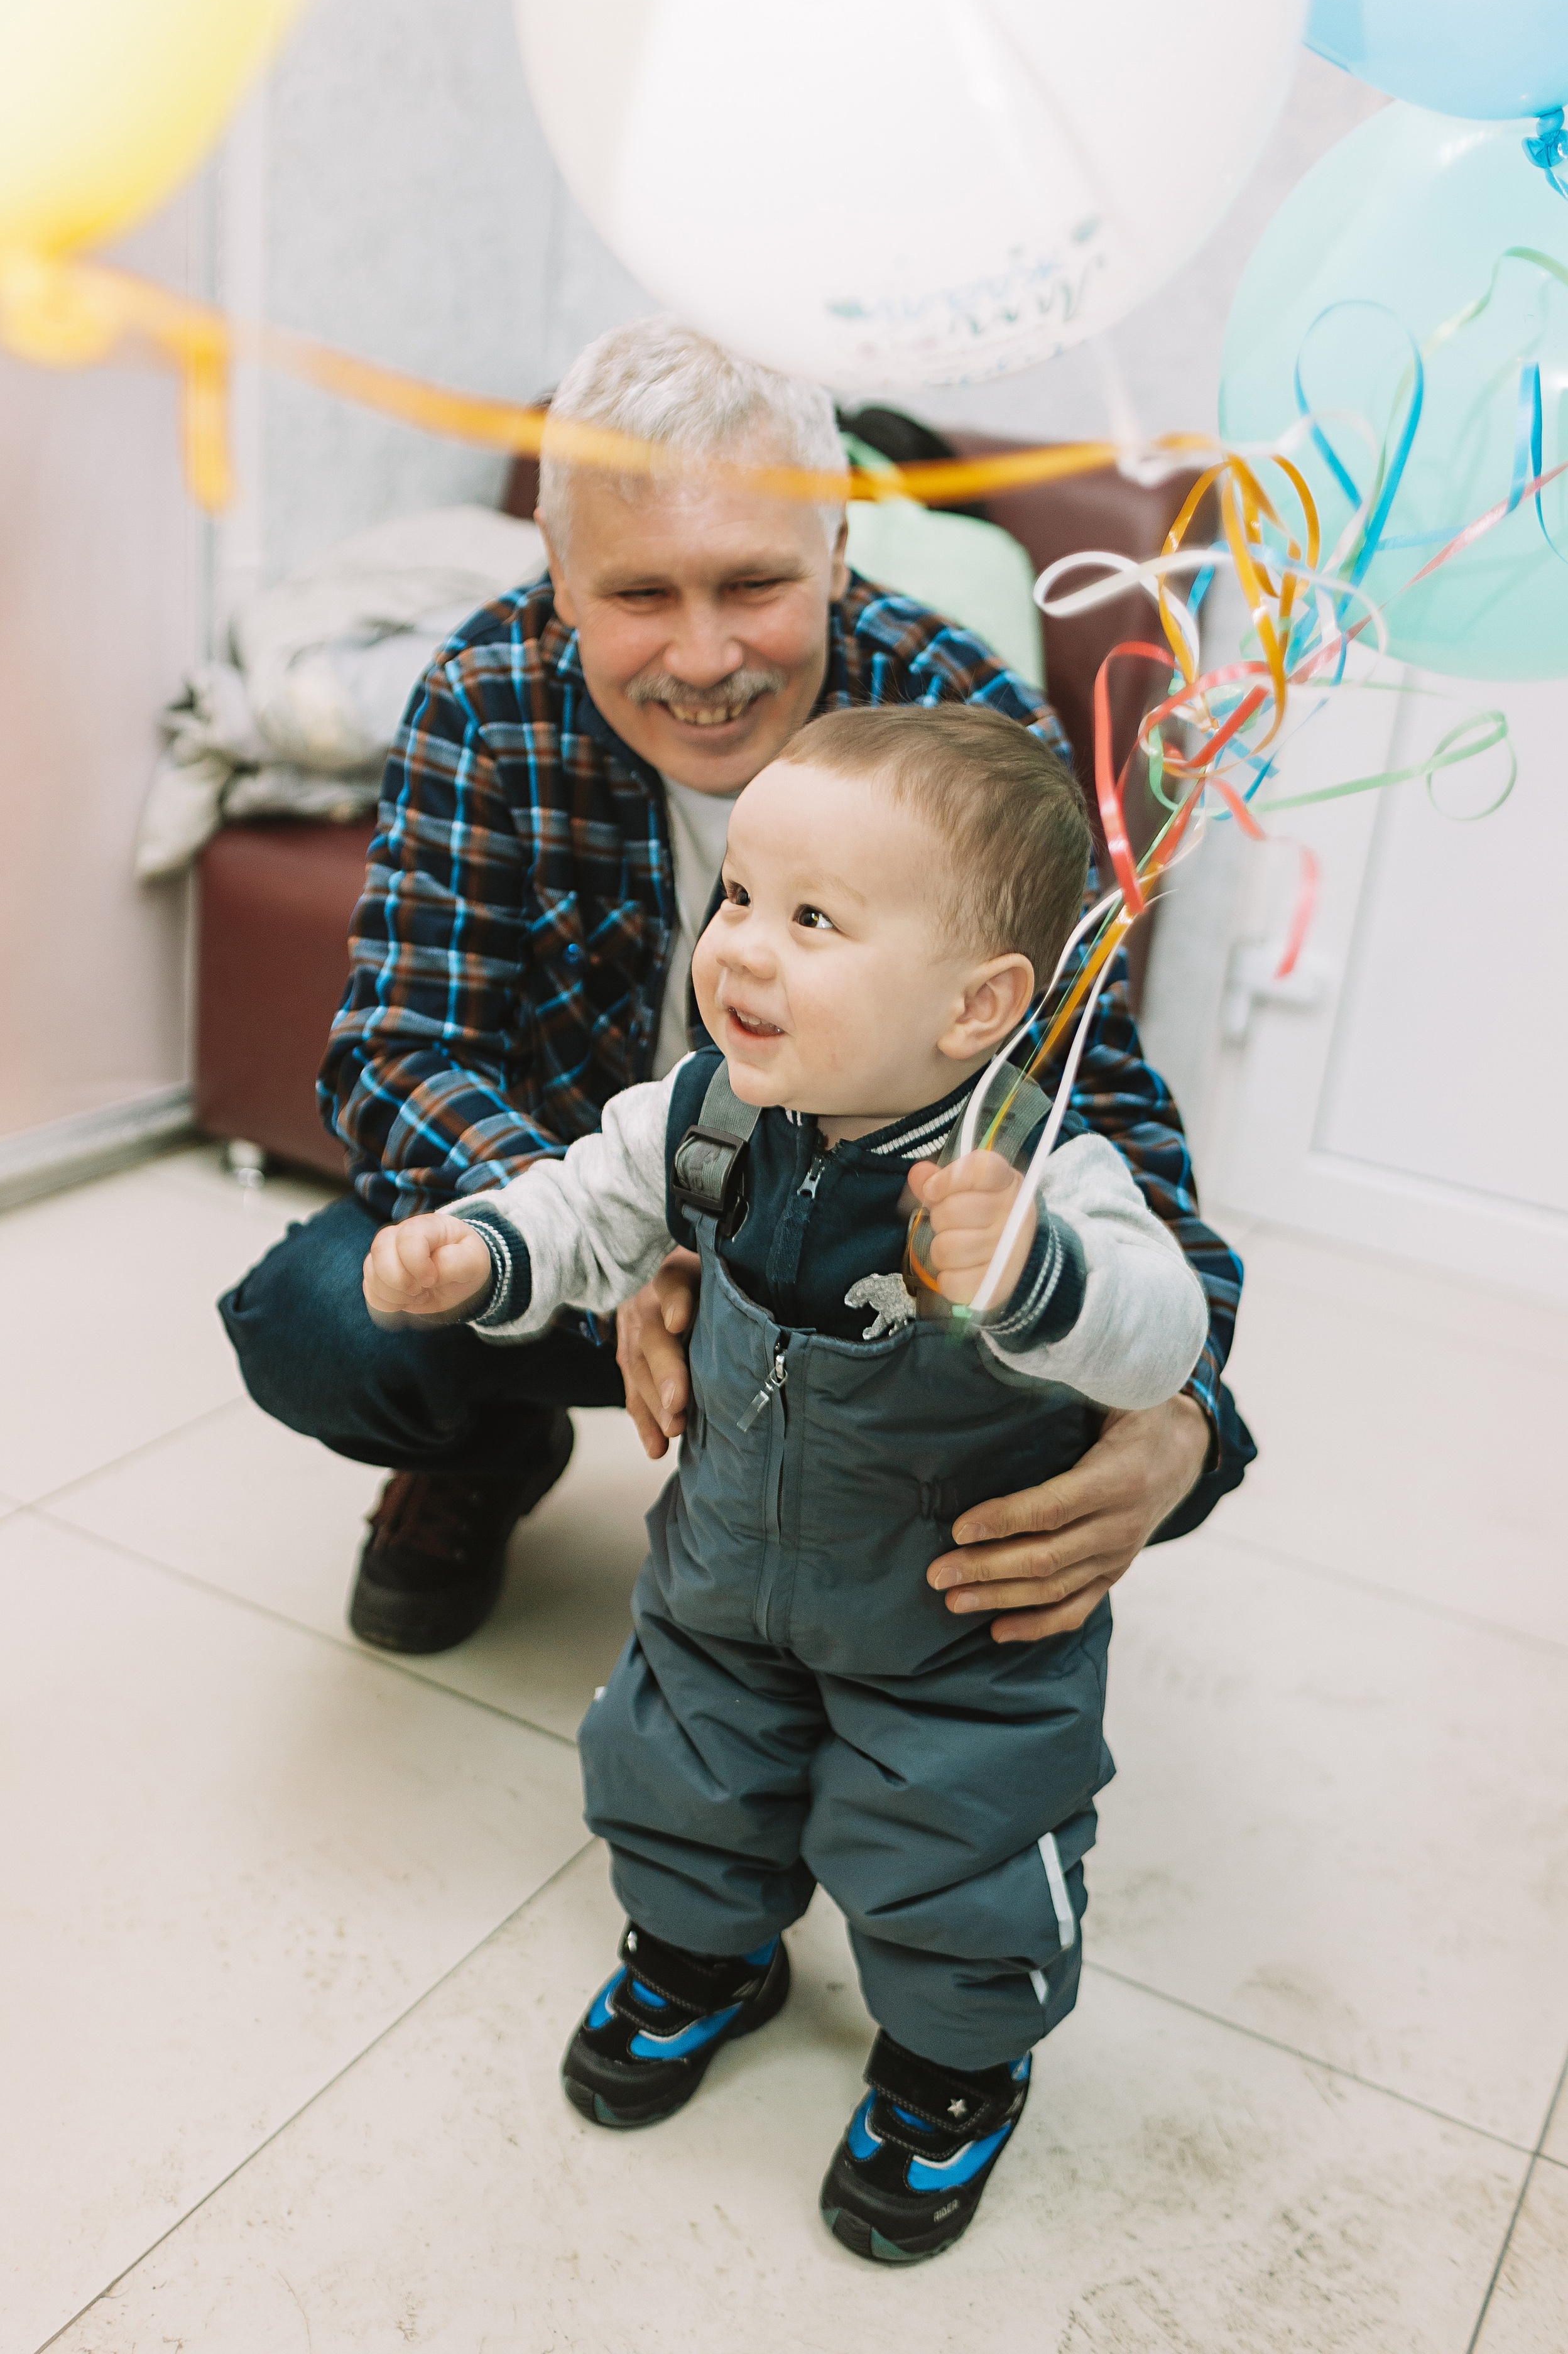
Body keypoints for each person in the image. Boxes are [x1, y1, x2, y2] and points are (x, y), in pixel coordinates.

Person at [218, 314, 1253, 1657]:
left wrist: (1185, 1407)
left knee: (1099, 1376)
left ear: (835, 553)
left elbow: (1092, 1097)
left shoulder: (967, 724)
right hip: (596, 1226)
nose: (704, 661)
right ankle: (484, 1455)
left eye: (753, 584)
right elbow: (400, 1054)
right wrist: (616, 1254)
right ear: (560, 574)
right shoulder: (481, 696)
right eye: (640, 596)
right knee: (321, 1322)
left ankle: (868, 1549)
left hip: (866, 1301)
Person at [360, 704, 1211, 2260]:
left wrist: (1037, 1279)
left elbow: (1163, 1335)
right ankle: (703, 1960)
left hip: (956, 1631)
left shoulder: (1041, 1169)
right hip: (725, 1580)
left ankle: (956, 2067)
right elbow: (588, 1207)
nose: (741, 949)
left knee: (955, 1851)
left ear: (979, 1006)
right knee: (675, 1778)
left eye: (811, 920)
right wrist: (483, 1251)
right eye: (738, 898)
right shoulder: (704, 1112)